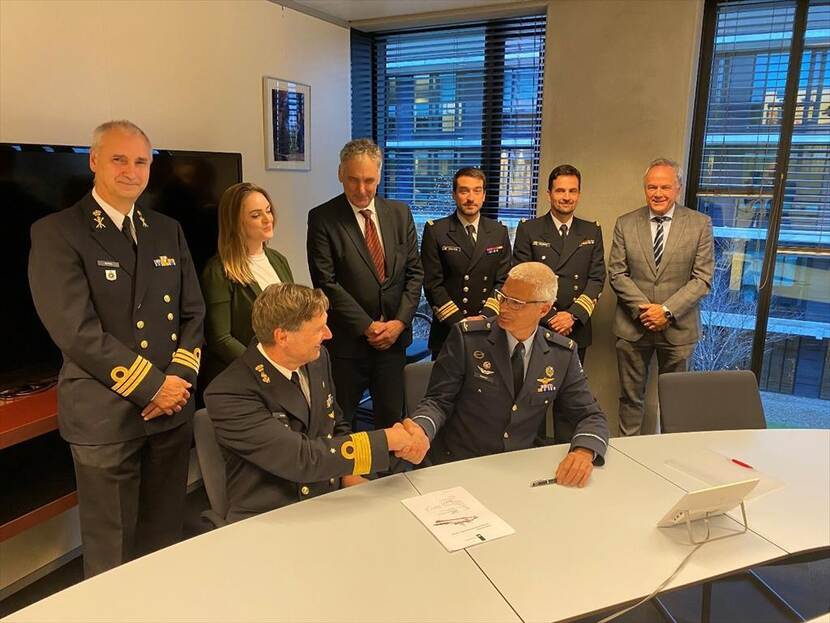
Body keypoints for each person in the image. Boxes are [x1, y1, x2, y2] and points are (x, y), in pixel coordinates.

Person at [28, 120, 205, 577]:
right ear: (94, 161)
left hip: (169, 412)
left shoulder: (166, 229)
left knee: (164, 541)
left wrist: (178, 382)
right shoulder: (58, 232)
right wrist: (153, 387)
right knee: (113, 553)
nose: (131, 170)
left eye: (141, 161)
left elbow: (193, 313)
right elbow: (76, 331)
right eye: (119, 159)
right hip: (105, 415)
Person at [203, 283, 429, 522]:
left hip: (328, 497)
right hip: (272, 516)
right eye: (319, 328)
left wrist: (350, 473)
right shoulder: (229, 393)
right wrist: (387, 441)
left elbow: (337, 424)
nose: (329, 335)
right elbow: (301, 458)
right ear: (283, 337)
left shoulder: (317, 359)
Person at [409, 262, 609, 487]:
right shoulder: (468, 340)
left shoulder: (561, 354)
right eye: (502, 297)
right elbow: (438, 401)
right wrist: (420, 429)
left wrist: (584, 452)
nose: (503, 308)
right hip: (461, 463)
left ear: (543, 310)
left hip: (519, 467)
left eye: (516, 303)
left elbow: (590, 416)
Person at [307, 139, 423, 430]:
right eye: (353, 180)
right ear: (340, 174)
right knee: (342, 423)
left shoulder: (400, 213)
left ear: (379, 176)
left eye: (369, 180)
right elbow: (326, 282)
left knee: (392, 424)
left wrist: (399, 323)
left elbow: (414, 273)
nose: (361, 189)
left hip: (393, 344)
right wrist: (368, 326)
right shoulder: (323, 218)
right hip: (348, 346)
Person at [608, 158, 714, 436]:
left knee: (676, 402)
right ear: (645, 188)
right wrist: (647, 311)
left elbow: (702, 278)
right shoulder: (625, 223)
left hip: (679, 328)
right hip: (633, 327)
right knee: (630, 399)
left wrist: (666, 311)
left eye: (665, 187)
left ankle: (668, 455)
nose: (658, 193)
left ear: (678, 188)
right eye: (651, 187)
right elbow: (617, 273)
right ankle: (628, 452)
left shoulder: (700, 224)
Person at [201, 182, 293, 386]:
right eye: (256, 215)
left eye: (268, 210)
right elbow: (221, 339)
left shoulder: (278, 260)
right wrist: (263, 367)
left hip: (281, 371)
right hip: (242, 378)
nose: (268, 219)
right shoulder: (218, 271)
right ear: (235, 222)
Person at [513, 164, 606, 364]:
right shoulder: (529, 230)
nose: (567, 197)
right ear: (549, 194)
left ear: (579, 194)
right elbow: (523, 280)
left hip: (576, 327)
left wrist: (572, 316)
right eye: (560, 191)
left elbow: (597, 279)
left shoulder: (591, 231)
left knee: (572, 384)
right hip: (538, 325)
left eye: (572, 191)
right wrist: (552, 317)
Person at [420, 167, 511, 358]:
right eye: (464, 191)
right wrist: (460, 322)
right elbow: (432, 284)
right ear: (454, 194)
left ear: (484, 196)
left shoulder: (498, 231)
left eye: (477, 191)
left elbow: (503, 281)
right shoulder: (436, 231)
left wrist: (485, 317)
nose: (471, 198)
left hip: (488, 329)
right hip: (449, 329)